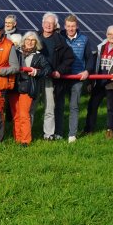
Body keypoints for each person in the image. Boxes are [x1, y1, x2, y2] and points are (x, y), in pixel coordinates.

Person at [10, 32, 51, 146]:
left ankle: (25, 140)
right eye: (28, 39)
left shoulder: (39, 56)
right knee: (16, 115)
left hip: (28, 88)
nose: (30, 42)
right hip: (14, 88)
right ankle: (17, 138)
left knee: (24, 115)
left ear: (36, 43)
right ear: (23, 41)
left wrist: (37, 71)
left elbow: (48, 69)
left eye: (33, 40)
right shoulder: (16, 53)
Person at [37, 12, 74, 140]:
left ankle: (48, 134)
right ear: (42, 24)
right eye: (46, 23)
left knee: (49, 107)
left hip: (51, 78)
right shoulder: (34, 37)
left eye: (51, 23)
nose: (48, 25)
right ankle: (26, 134)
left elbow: (69, 58)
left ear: (55, 25)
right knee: (30, 106)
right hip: (35, 78)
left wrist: (60, 71)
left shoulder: (60, 40)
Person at [57, 15, 91, 143]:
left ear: (77, 26)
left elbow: (89, 57)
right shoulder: (59, 38)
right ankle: (59, 132)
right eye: (68, 26)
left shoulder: (84, 39)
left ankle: (72, 134)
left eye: (73, 26)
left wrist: (87, 70)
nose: (71, 29)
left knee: (74, 106)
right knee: (59, 106)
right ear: (65, 26)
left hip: (77, 77)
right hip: (62, 76)